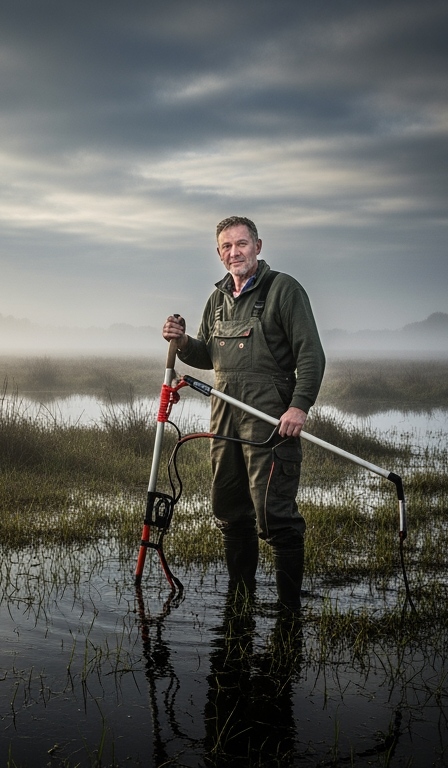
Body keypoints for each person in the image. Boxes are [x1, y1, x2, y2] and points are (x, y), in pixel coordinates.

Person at [162, 216, 324, 613]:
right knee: (231, 511)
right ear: (219, 254)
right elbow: (207, 355)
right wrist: (182, 341)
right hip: (225, 417)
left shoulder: (284, 290)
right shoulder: (217, 299)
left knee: (275, 514)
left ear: (258, 245)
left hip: (271, 420)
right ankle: (241, 602)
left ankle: (289, 612)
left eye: (242, 244)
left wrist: (299, 406)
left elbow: (311, 355)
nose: (235, 252)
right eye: (226, 247)